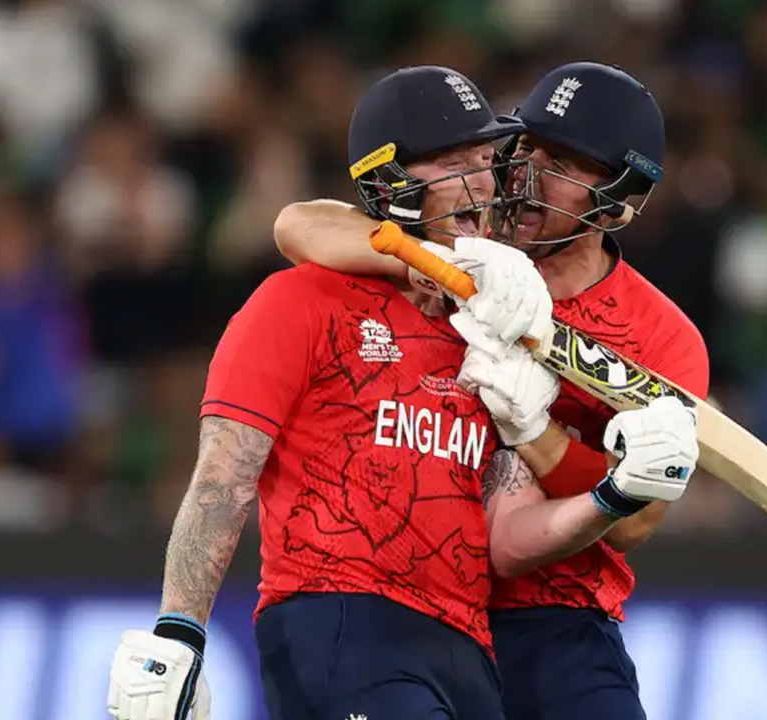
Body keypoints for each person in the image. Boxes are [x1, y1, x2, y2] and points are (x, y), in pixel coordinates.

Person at [274, 61, 710, 720]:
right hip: (414, 608)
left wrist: (536, 435)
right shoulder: (465, 241)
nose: (528, 174)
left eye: (563, 162)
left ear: (619, 202)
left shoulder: (660, 338)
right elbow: (299, 224)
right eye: (526, 146)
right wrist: (430, 264)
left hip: (555, 619)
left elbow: (636, 522)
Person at [105, 65, 543, 720]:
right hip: (340, 620)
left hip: (469, 644)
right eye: (456, 162)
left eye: (486, 160)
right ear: (391, 182)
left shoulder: (487, 324)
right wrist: (180, 627)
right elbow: (224, 477)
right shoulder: (299, 300)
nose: (483, 181)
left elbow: (493, 511)